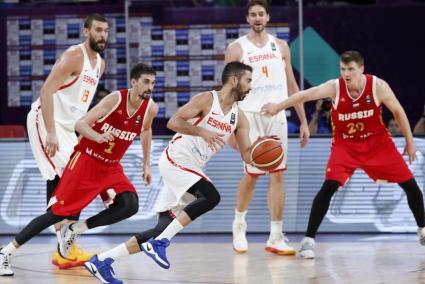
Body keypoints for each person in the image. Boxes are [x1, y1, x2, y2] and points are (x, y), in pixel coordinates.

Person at [84, 61, 262, 283]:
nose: (250, 86)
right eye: (248, 80)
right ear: (234, 80)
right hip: (176, 158)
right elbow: (173, 121)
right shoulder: (207, 99)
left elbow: (247, 154)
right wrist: (201, 132)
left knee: (160, 228)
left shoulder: (239, 117)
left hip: (191, 168)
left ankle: (101, 260)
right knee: (211, 197)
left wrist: (263, 151)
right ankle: (160, 244)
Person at [261, 50, 425, 259]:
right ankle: (308, 240)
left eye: (351, 69)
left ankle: (422, 229)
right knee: (328, 187)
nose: (346, 74)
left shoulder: (378, 86)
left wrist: (410, 143)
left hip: (378, 144)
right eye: (343, 69)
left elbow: (398, 111)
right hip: (345, 146)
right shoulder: (335, 87)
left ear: (361, 69)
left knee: (410, 185)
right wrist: (277, 107)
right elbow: (305, 95)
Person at [0, 63, 158, 277]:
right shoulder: (115, 99)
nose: (150, 87)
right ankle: (6, 252)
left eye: (153, 83)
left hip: (111, 167)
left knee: (130, 204)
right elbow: (80, 124)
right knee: (56, 213)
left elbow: (146, 130)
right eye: (146, 82)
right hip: (86, 160)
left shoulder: (150, 108)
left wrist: (146, 164)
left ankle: (74, 229)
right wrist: (98, 136)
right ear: (133, 82)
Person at [225, 0, 309, 254]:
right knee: (252, 175)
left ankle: (275, 235)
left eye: (261, 14)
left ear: (268, 17)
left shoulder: (281, 46)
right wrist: (229, 127)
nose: (257, 18)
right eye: (253, 14)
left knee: (278, 174)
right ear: (248, 18)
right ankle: (239, 225)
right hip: (249, 117)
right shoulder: (237, 48)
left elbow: (292, 86)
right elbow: (227, 91)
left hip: (277, 117)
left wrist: (303, 121)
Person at [25, 13, 108, 268]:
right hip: (45, 120)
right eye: (97, 30)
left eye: (105, 31)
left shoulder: (100, 64)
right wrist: (50, 131)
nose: (102, 35)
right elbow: (47, 89)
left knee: (78, 178)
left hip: (68, 127)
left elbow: (80, 106)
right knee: (60, 178)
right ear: (86, 32)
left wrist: (83, 135)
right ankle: (62, 247)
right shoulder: (74, 56)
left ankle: (66, 245)